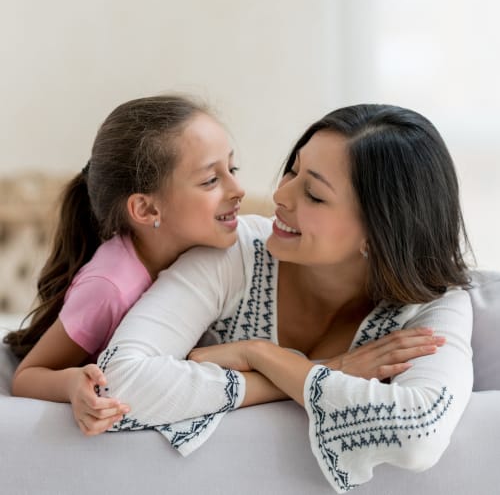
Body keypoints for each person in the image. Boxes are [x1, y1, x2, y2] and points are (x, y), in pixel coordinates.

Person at [97, 103, 472, 492]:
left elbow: (418, 435)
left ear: (379, 231)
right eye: (292, 170)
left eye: (313, 194)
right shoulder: (235, 253)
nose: (280, 195)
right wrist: (331, 369)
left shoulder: (435, 303)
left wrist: (259, 355)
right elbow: (117, 383)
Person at [3, 94, 245, 435]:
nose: (238, 189)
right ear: (146, 210)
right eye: (211, 180)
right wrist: (73, 383)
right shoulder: (110, 287)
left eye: (232, 169)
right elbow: (28, 376)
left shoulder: (206, 254)